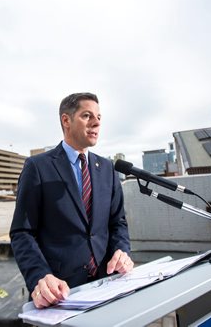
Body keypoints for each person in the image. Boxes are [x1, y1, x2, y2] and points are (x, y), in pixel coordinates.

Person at [10, 92, 134, 309]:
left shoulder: (107, 168)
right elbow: (22, 232)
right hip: (59, 293)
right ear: (66, 120)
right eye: (87, 116)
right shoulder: (37, 167)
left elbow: (118, 223)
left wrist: (121, 251)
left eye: (99, 117)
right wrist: (40, 276)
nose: (96, 122)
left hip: (107, 285)